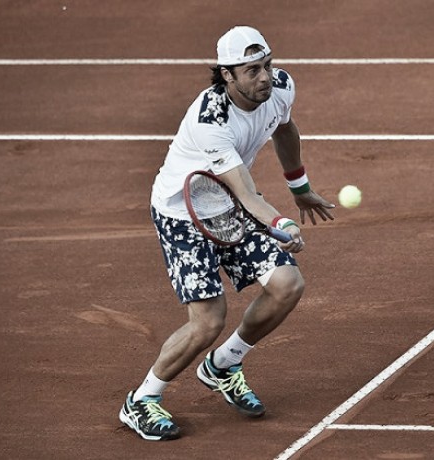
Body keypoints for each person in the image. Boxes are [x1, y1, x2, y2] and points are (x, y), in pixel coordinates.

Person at [119, 25, 335, 441]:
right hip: (183, 213)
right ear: (227, 75)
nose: (265, 77)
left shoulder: (281, 87)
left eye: (267, 65)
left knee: (287, 284)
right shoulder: (209, 119)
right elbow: (248, 193)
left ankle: (222, 365)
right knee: (207, 322)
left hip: (226, 201)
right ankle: (142, 400)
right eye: (252, 70)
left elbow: (285, 129)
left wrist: (300, 187)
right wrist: (283, 225)